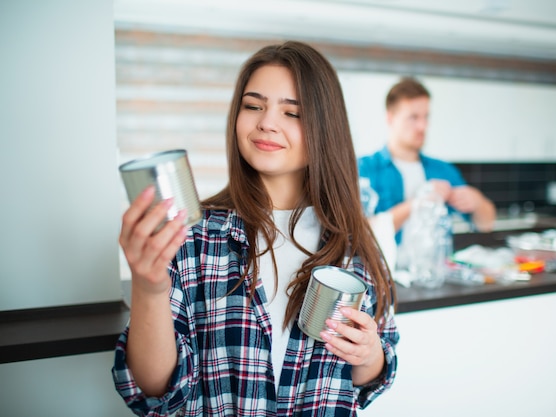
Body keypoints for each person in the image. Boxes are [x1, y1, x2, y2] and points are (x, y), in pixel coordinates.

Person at [112, 41, 398, 417]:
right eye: (253, 106)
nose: (266, 122)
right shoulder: (196, 237)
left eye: (292, 113)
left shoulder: (355, 246)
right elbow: (153, 390)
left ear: (325, 129)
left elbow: (373, 376)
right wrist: (148, 287)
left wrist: (369, 353)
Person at [358, 77, 496, 246]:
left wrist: (477, 201)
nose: (422, 126)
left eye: (426, 117)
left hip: (436, 271)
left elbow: (486, 224)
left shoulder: (443, 171)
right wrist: (416, 204)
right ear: (390, 118)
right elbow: (358, 233)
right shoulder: (364, 169)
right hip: (382, 271)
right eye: (413, 117)